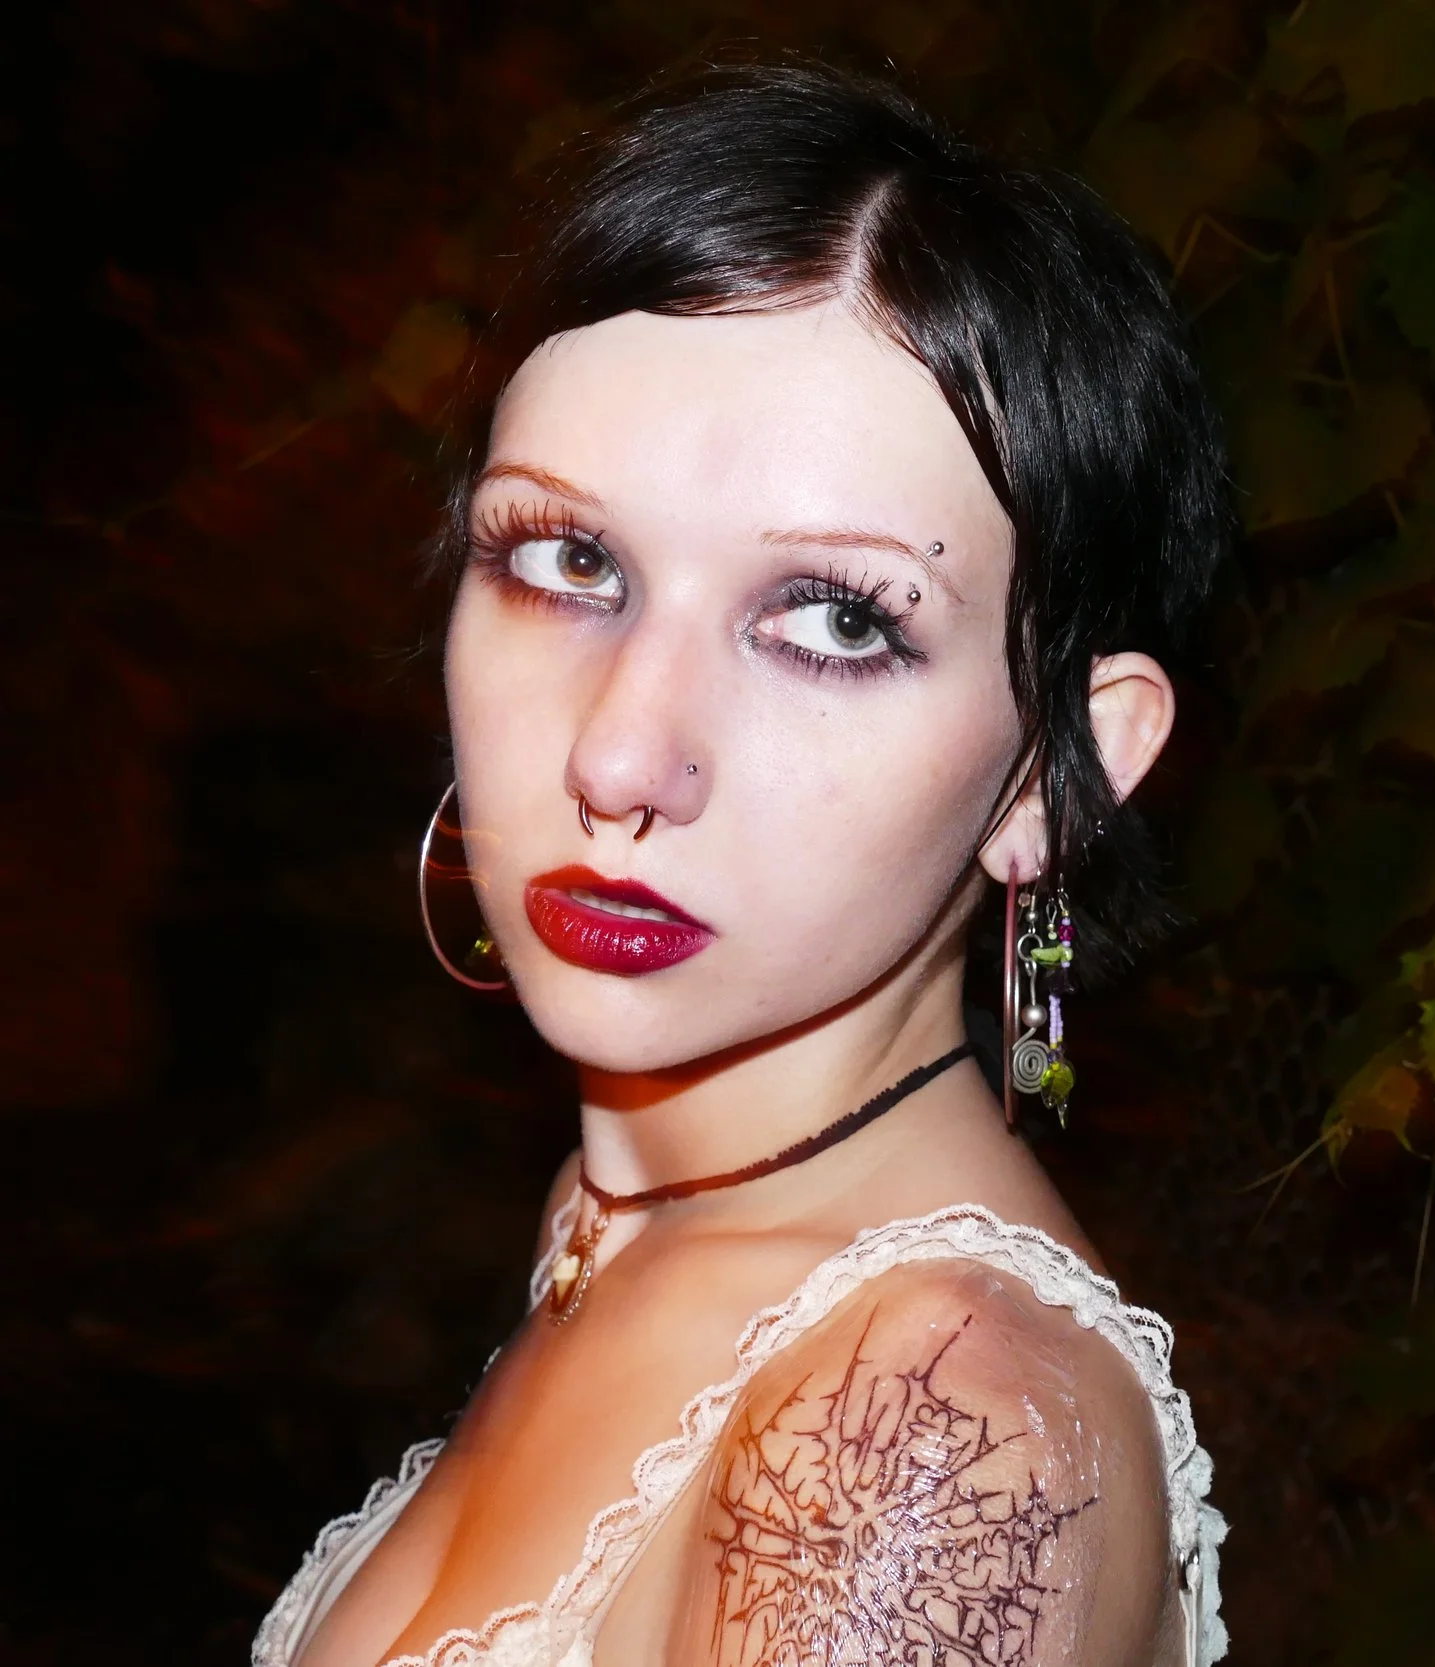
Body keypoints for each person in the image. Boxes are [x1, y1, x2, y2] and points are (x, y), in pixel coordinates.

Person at [253, 61, 1230, 1667]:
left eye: (836, 619)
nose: (621, 756)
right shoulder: (619, 1214)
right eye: (569, 559)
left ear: (1062, 767)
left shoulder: (932, 1439)